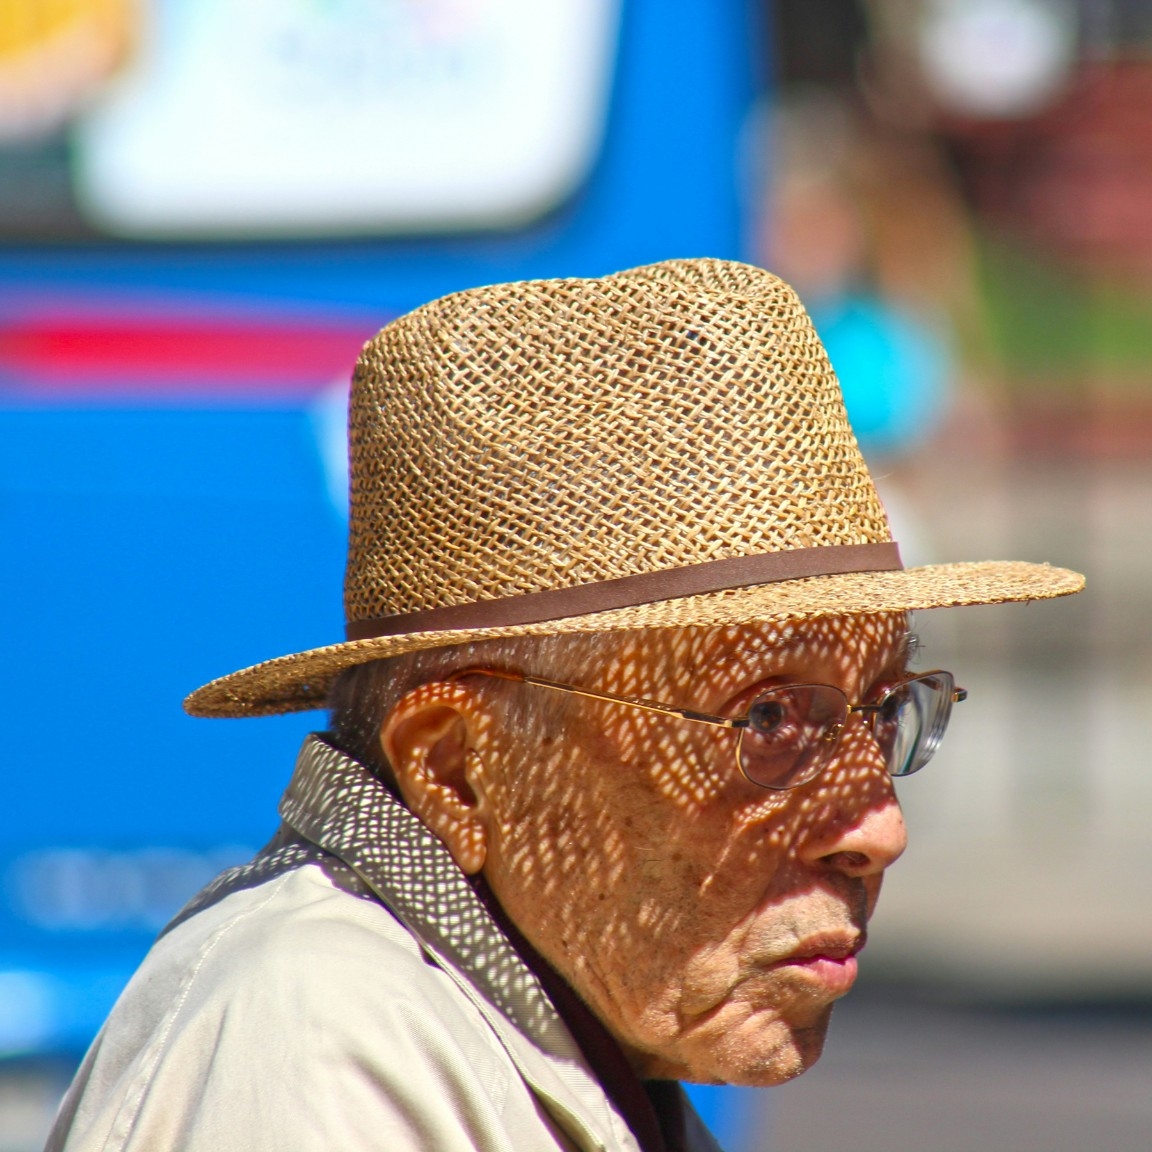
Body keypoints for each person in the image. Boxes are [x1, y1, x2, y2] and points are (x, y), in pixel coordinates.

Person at [47, 258, 1083, 1152]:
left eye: (885, 705)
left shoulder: (554, 1030)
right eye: (767, 722)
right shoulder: (315, 1043)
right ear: (456, 769)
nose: (879, 828)